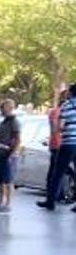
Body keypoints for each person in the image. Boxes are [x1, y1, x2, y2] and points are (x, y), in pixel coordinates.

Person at [38, 83, 76, 211]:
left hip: (68, 144)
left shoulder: (66, 105)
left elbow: (59, 126)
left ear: (70, 93)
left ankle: (51, 201)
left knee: (57, 173)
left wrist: (57, 129)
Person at [0, 99, 22, 213]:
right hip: (1, 154)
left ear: (9, 108)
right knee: (1, 179)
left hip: (8, 155)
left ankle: (7, 204)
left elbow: (18, 139)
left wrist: (11, 154)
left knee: (7, 180)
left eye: (3, 108)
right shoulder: (4, 121)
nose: (1, 110)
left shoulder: (15, 122)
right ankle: (0, 202)